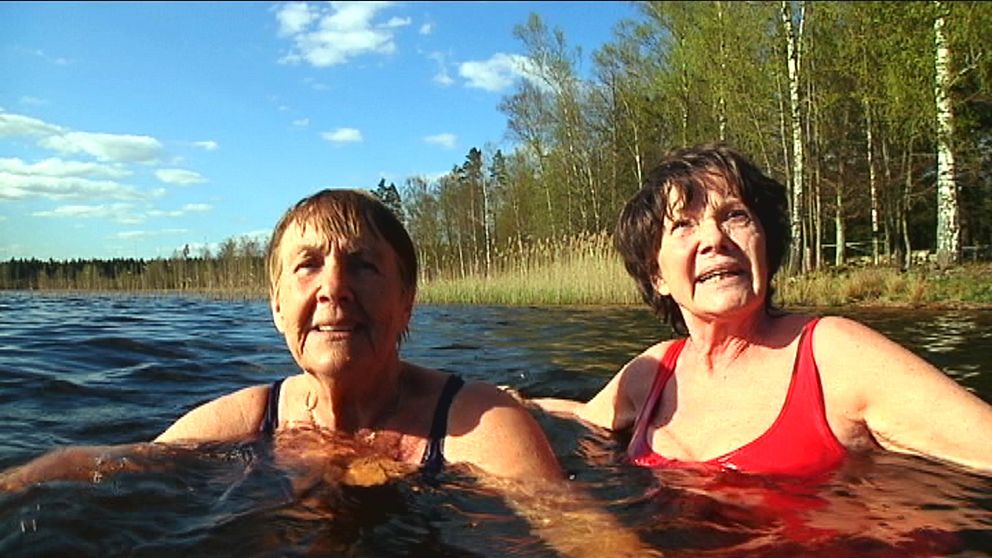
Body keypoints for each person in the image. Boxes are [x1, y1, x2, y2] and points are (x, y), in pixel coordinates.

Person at [534, 143, 992, 476]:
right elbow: (582, 415)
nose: (714, 239)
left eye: (735, 215)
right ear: (656, 276)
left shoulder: (834, 355)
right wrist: (506, 403)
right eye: (684, 226)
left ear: (765, 247)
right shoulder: (653, 371)